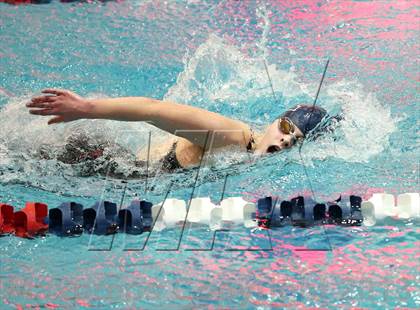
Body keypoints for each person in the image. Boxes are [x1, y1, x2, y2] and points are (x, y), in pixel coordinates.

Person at [26, 89, 329, 176]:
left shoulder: (248, 159)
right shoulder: (231, 136)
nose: (287, 139)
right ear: (272, 124)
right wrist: (86, 108)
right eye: (287, 128)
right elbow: (154, 109)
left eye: (296, 140)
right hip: (90, 159)